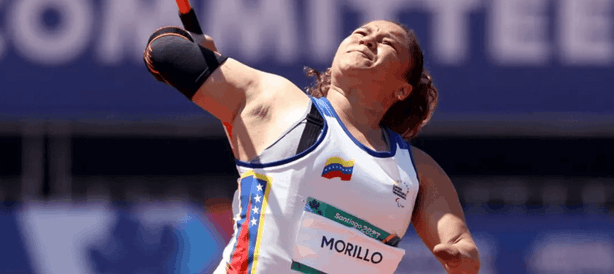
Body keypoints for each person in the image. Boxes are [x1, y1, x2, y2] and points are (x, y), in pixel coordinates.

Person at [144, 19, 480, 274]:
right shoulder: (280, 104)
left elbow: (461, 249)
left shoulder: (417, 170)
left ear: (403, 89)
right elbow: (164, 51)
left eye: (386, 42)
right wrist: (199, 53)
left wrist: (459, 256)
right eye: (360, 32)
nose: (367, 38)